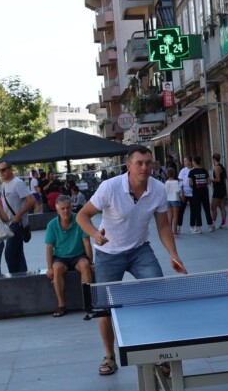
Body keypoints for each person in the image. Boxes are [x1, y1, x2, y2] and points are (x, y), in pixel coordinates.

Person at [76, 145, 187, 376]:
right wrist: (96, 234)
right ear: (129, 166)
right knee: (104, 308)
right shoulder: (110, 187)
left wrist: (173, 254)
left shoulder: (157, 189)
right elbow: (82, 215)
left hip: (139, 251)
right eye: (140, 163)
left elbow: (163, 225)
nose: (145, 167)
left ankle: (159, 354)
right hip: (108, 254)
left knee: (157, 297)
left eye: (149, 163)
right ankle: (109, 356)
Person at [44, 196, 93, 317]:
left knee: (85, 265)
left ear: (72, 208)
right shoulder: (52, 225)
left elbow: (87, 242)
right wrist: (49, 267)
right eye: (62, 209)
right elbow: (49, 248)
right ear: (57, 210)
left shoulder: (80, 220)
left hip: (78, 256)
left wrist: (91, 262)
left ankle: (88, 303)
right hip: (60, 257)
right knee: (56, 269)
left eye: (68, 208)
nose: (65, 211)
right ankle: (61, 305)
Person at [0, 161, 35, 274]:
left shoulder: (17, 183)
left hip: (17, 224)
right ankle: (22, 277)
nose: (1, 173)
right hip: (10, 223)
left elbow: (31, 200)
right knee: (18, 252)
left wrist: (18, 215)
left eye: (3, 170)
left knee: (9, 254)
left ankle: (16, 277)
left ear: (10, 169)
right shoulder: (4, 184)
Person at [188, 156, 214, 233]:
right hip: (204, 192)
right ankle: (210, 225)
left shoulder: (192, 172)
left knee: (197, 209)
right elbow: (209, 182)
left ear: (194, 162)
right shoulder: (204, 170)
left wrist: (195, 185)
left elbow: (190, 183)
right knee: (207, 208)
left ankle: (199, 227)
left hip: (196, 193)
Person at [211, 152, 228, 228]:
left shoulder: (217, 167)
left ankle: (212, 223)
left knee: (213, 207)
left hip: (218, 189)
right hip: (222, 188)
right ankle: (223, 223)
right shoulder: (222, 167)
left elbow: (218, 179)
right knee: (222, 206)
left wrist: (210, 179)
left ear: (214, 159)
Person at [176, 156, 193, 233]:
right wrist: (181, 193)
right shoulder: (183, 170)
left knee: (193, 210)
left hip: (192, 193)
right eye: (184, 161)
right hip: (185, 192)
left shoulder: (194, 170)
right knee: (181, 210)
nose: (184, 162)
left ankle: (192, 226)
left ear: (190, 161)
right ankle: (179, 226)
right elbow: (180, 182)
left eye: (186, 161)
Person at [164, 168, 182, 234]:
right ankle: (175, 231)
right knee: (175, 216)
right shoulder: (176, 182)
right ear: (174, 174)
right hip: (175, 199)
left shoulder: (166, 182)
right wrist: (180, 189)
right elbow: (178, 191)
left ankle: (169, 231)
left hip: (168, 199)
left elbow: (165, 191)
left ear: (167, 174)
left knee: (170, 215)